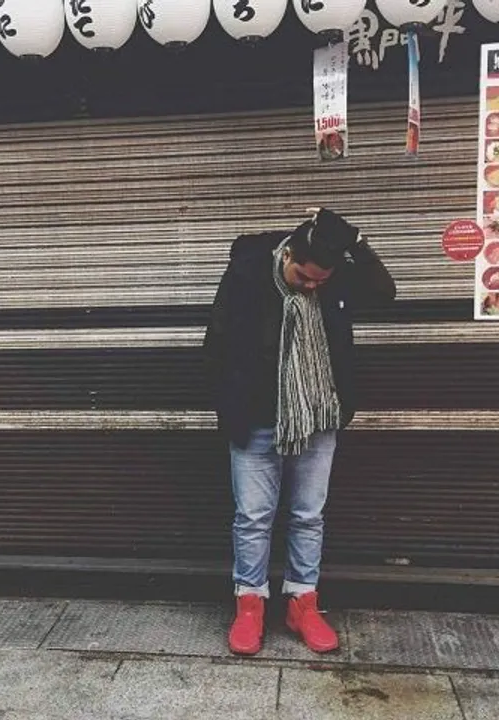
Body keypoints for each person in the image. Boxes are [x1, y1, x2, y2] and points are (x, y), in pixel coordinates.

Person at [203, 208, 396, 656]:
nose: (311, 286)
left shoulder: (332, 280)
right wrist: (230, 408)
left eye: (319, 281)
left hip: (317, 417)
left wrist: (357, 242)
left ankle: (302, 603)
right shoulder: (246, 275)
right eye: (303, 277)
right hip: (255, 419)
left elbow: (384, 293)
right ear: (287, 254)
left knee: (308, 516)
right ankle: (249, 605)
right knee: (253, 517)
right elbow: (216, 342)